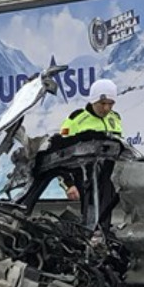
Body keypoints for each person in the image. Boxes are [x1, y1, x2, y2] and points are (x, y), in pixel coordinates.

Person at [58, 78, 123, 231]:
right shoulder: (76, 120)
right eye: (102, 103)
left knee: (106, 215)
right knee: (89, 217)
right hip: (83, 177)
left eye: (110, 104)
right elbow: (59, 156)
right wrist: (68, 184)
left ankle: (103, 240)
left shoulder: (115, 118)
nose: (106, 108)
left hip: (108, 177)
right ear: (93, 100)